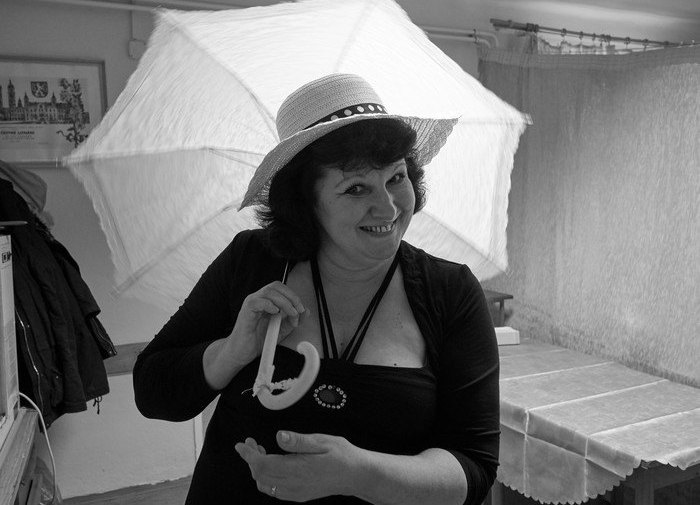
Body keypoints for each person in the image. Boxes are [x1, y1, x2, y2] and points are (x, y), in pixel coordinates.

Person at [133, 73, 500, 505]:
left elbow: (474, 467)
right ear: (305, 201)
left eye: (396, 178)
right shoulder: (252, 262)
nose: (387, 207)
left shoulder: (451, 292)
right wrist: (233, 350)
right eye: (356, 188)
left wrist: (360, 475)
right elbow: (153, 392)